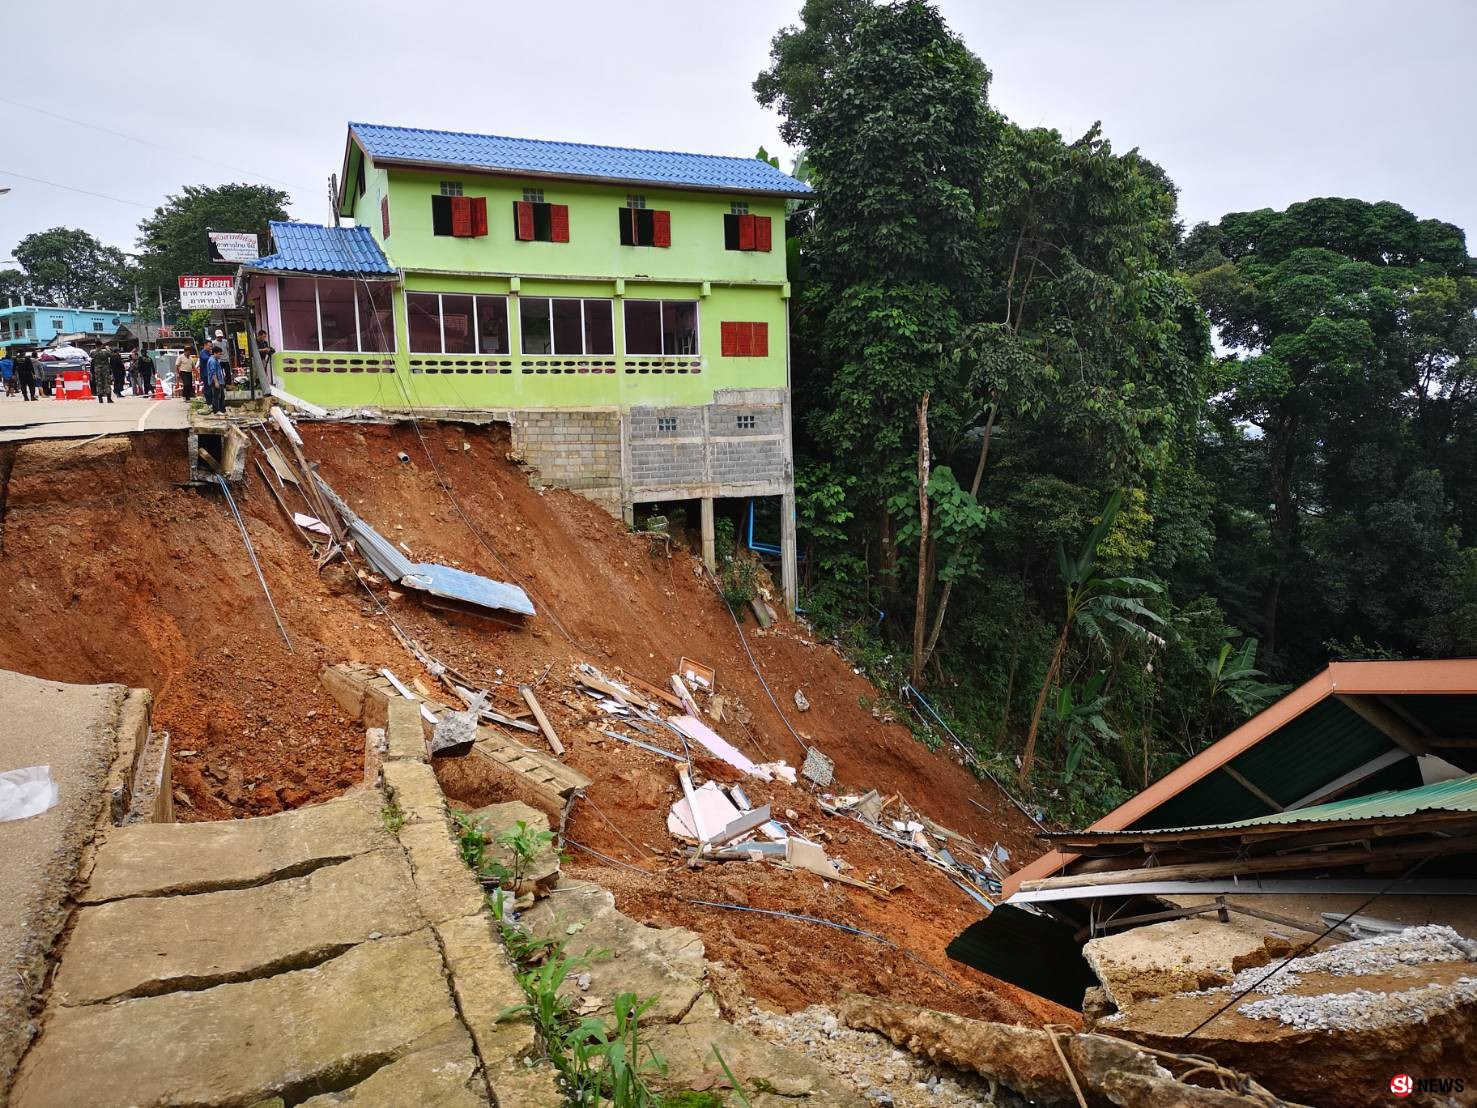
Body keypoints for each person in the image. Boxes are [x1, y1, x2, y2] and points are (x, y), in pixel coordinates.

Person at [204, 343, 226, 414]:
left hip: (219, 380)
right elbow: (213, 373)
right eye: (219, 354)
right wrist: (216, 382)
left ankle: (222, 410)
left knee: (222, 396)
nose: (220, 355)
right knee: (216, 396)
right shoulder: (212, 361)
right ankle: (216, 410)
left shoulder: (216, 360)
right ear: (215, 353)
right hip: (215, 381)